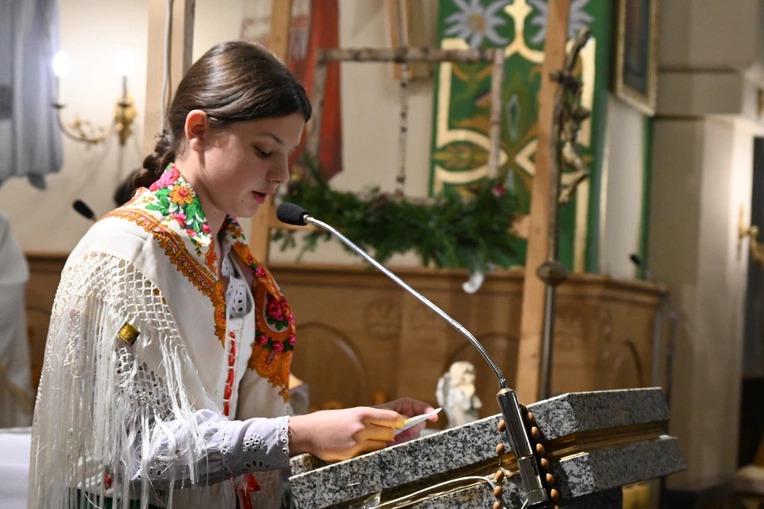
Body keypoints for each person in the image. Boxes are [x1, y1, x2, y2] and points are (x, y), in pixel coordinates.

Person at [29, 41, 436, 509]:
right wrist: (298, 433)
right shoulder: (127, 252)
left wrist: (360, 430)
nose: (282, 174)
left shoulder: (233, 261)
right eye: (264, 150)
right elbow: (139, 449)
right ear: (199, 130)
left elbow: (233, 424)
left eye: (289, 154)